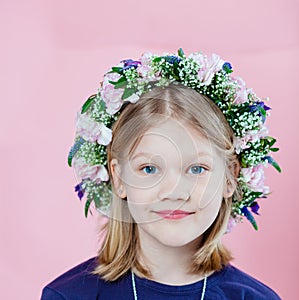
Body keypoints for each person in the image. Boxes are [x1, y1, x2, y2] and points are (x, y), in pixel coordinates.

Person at [41, 49, 281, 299]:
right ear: (119, 178)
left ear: (229, 178)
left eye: (197, 168)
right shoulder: (68, 296)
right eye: (149, 169)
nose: (174, 192)